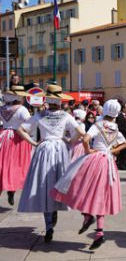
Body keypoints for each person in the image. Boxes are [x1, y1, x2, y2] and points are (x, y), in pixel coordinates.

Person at [51, 100, 126, 250]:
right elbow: (125, 143)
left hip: (95, 160)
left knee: (79, 188)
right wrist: (111, 151)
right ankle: (99, 232)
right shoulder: (115, 127)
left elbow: (86, 139)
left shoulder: (98, 125)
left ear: (105, 110)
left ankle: (87, 216)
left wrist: (87, 151)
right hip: (108, 162)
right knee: (100, 196)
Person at [17, 84, 85, 242]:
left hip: (44, 149)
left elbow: (20, 129)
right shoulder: (66, 116)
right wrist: (69, 141)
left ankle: (48, 225)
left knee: (44, 184)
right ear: (60, 101)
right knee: (58, 182)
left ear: (47, 99)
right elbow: (81, 132)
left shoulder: (39, 115)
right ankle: (54, 211)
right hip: (60, 149)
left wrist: (34, 143)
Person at [0, 85, 32, 206]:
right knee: (16, 165)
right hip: (17, 137)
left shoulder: (1, 108)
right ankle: (11, 190)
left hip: (3, 136)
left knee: (3, 165)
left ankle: (7, 188)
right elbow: (29, 123)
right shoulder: (22, 109)